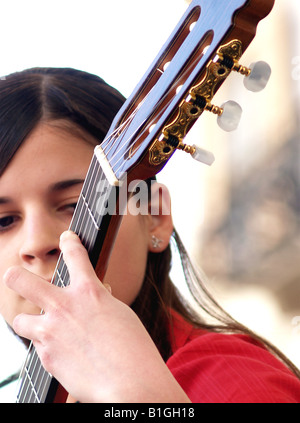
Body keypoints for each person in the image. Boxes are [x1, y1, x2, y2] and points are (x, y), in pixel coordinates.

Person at [0, 67, 300, 403]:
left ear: (154, 216)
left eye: (73, 205)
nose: (37, 243)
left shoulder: (234, 380)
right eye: (4, 221)